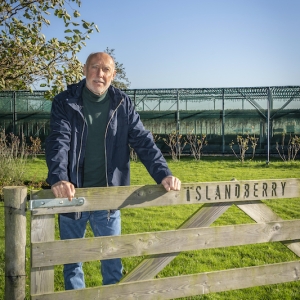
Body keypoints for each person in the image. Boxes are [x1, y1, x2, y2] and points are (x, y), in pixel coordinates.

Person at [45, 52, 181, 290]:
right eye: (95, 67)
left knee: (112, 262)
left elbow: (143, 141)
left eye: (106, 69)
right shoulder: (65, 101)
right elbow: (59, 141)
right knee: (72, 261)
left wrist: (164, 174)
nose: (100, 74)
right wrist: (59, 178)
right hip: (71, 196)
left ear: (113, 75)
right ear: (85, 69)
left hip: (109, 199)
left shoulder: (122, 103)